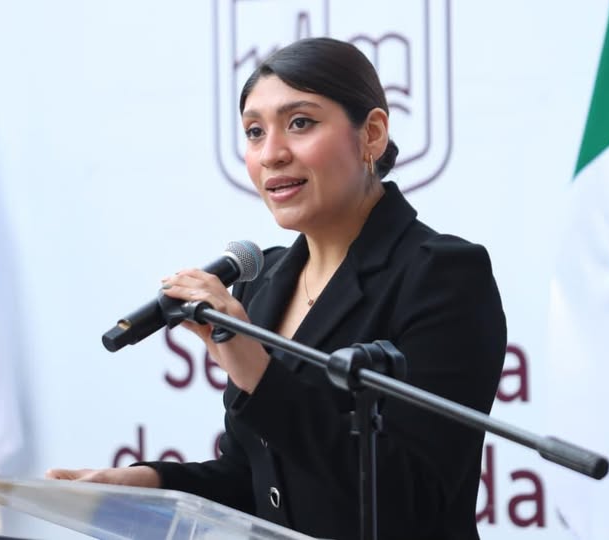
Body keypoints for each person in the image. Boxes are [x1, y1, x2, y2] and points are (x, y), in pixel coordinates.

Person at [48, 37, 507, 540]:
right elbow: (258, 481)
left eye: (300, 123)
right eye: (254, 132)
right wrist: (152, 483)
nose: (271, 154)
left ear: (372, 134)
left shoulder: (442, 275)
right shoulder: (263, 280)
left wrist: (257, 370)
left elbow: (409, 497)